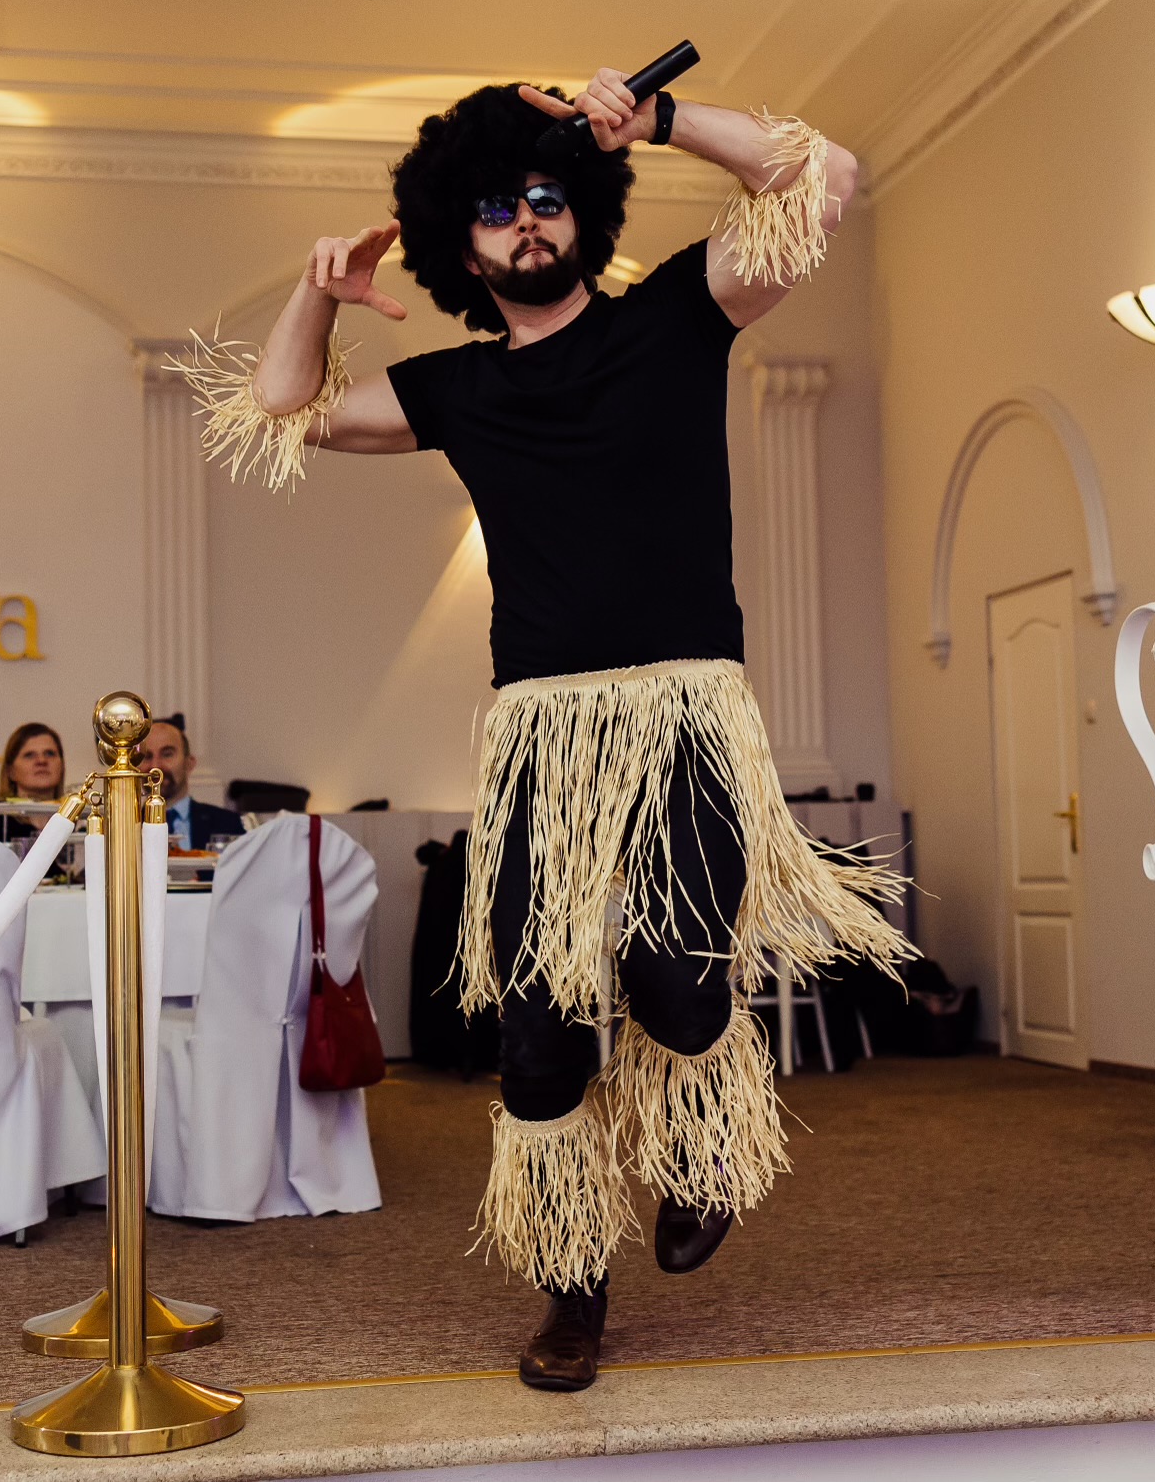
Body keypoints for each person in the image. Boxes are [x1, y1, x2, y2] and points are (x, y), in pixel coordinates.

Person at [176, 72, 908, 1389]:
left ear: (580, 211)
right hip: (542, 741)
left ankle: (698, 1152)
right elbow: (281, 413)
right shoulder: (457, 389)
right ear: (464, 250)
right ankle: (572, 1290)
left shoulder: (679, 313)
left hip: (684, 713)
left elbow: (823, 179)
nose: (524, 220)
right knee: (539, 1025)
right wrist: (319, 291)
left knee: (677, 979)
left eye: (543, 195)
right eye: (495, 210)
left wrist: (664, 121)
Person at [133, 713, 244, 851]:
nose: (156, 766)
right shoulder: (125, 828)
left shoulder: (230, 824)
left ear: (189, 763)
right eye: (147, 757)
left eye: (167, 754)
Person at [0, 721, 69, 801]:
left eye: (50, 754)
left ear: (62, 765)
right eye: (30, 755)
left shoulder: (77, 809)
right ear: (11, 771)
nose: (42, 761)